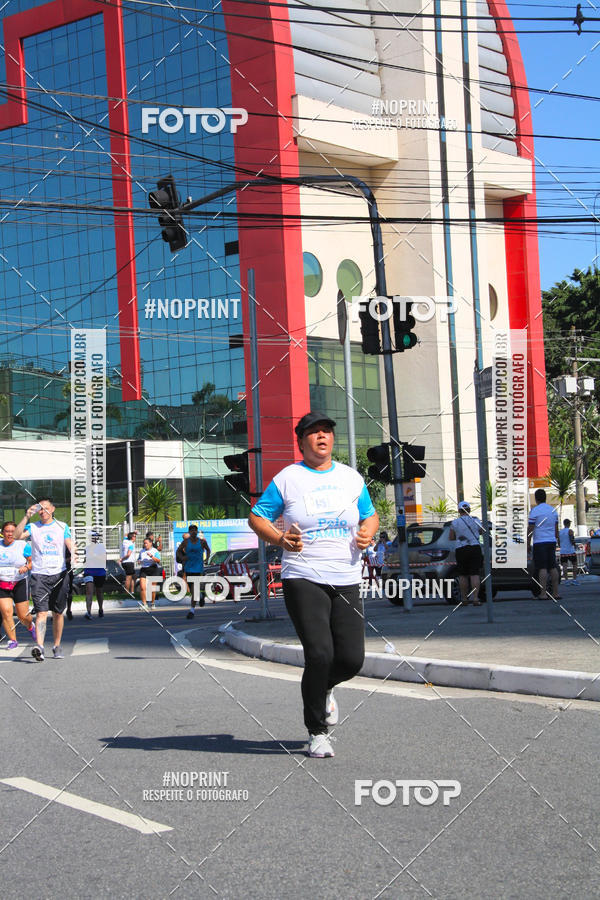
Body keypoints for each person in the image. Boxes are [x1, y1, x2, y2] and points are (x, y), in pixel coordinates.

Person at [248, 411, 379, 759]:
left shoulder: (351, 479)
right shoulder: (288, 479)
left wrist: (369, 530)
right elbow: (257, 516)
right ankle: (317, 732)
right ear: (301, 441)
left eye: (327, 431)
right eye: (314, 432)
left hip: (347, 577)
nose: (322, 437)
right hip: (303, 576)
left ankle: (325, 688)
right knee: (319, 653)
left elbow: (370, 514)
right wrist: (279, 538)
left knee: (351, 660)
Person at [14, 498, 72, 660]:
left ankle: (57, 645)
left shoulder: (62, 526)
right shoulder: (33, 527)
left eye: (46, 508)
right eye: (40, 509)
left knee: (58, 613)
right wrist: (26, 516)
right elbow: (17, 536)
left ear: (52, 509)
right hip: (39, 575)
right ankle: (39, 646)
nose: (43, 511)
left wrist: (74, 553)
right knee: (41, 612)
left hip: (59, 574)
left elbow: (69, 543)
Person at [0, 521, 36, 650]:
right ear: (2, 532)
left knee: (23, 616)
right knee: (6, 612)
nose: (10, 534)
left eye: (12, 531)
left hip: (19, 582)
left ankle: (31, 627)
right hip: (2, 583)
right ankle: (13, 640)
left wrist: (26, 567)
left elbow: (32, 562)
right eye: (7, 531)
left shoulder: (22, 545)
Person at [449, 501, 484, 606]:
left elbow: (451, 537)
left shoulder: (455, 522)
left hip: (461, 549)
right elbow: (482, 531)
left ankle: (464, 598)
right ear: (469, 510)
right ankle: (476, 598)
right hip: (474, 547)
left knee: (463, 575)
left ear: (459, 511)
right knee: (475, 574)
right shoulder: (476, 520)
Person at [527, 488, 560, 601]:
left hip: (540, 543)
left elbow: (530, 529)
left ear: (536, 499)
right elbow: (556, 530)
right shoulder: (553, 510)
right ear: (545, 498)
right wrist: (557, 540)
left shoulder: (534, 511)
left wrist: (527, 543)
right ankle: (555, 593)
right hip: (551, 541)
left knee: (542, 568)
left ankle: (543, 593)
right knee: (553, 567)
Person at [180, 525, 210, 618]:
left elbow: (208, 550)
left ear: (196, 532)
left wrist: (207, 559)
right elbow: (179, 552)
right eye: (191, 530)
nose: (193, 532)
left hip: (197, 568)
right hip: (188, 567)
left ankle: (192, 611)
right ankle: (201, 596)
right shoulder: (185, 542)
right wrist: (182, 557)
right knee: (192, 590)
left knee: (195, 587)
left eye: (195, 530)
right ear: (189, 532)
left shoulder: (201, 542)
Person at [84, 533, 107, 618]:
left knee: (99, 591)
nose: (93, 539)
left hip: (99, 572)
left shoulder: (101, 547)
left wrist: (94, 556)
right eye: (91, 537)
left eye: (94, 537)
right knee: (89, 591)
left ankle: (100, 608)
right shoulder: (87, 548)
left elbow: (104, 559)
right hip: (89, 572)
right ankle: (88, 612)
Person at [137, 537, 161, 610]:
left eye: (146, 543)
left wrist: (151, 556)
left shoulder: (155, 551)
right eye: (144, 543)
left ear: (151, 543)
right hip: (144, 569)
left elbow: (158, 560)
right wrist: (139, 561)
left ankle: (152, 603)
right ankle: (144, 604)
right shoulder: (142, 551)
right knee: (142, 587)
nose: (145, 544)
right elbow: (139, 559)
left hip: (153, 569)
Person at [558, 518, 578, 585]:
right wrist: (574, 545)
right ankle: (574, 579)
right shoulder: (570, 531)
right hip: (570, 551)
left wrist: (562, 547)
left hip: (563, 551)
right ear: (569, 524)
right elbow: (571, 539)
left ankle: (566, 581)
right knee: (575, 564)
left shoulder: (560, 532)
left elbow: (558, 542)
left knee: (564, 566)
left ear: (564, 524)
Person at [120, 530, 137, 596]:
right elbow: (128, 554)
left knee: (134, 576)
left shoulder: (125, 541)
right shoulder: (131, 544)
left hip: (125, 563)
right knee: (128, 578)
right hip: (128, 562)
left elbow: (125, 534)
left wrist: (133, 532)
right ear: (132, 538)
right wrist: (122, 559)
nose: (135, 538)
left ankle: (132, 591)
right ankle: (126, 593)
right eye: (134, 536)